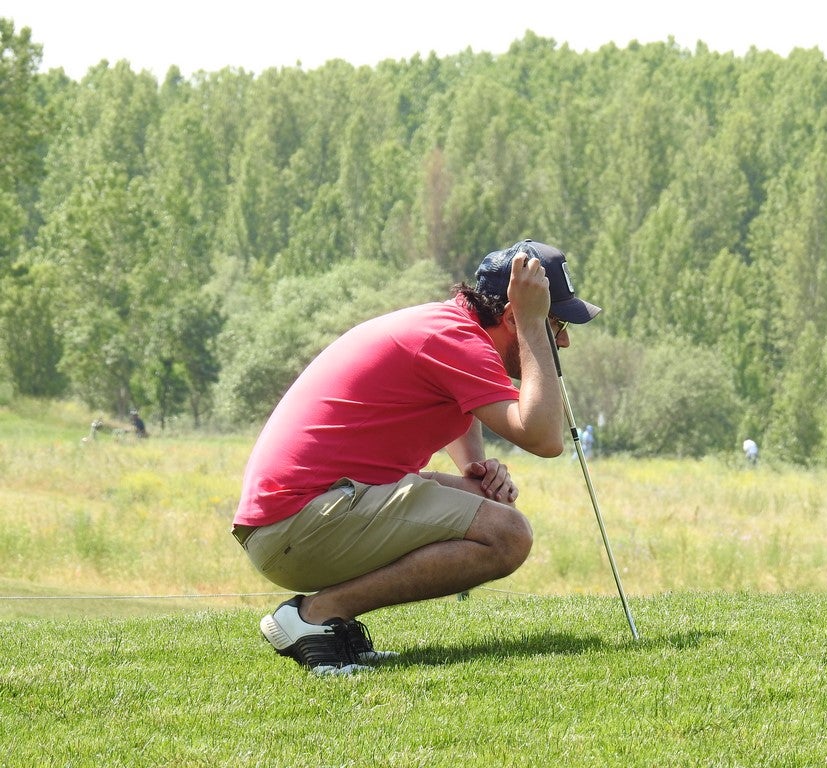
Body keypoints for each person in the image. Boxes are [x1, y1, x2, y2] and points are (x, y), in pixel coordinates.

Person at [232, 239, 601, 675]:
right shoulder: (456, 339)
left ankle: (330, 624)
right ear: (510, 317)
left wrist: (475, 469)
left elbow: (466, 404)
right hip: (295, 528)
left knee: (488, 506)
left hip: (300, 517)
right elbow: (545, 438)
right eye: (558, 323)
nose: (564, 340)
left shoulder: (452, 330)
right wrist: (534, 326)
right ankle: (315, 616)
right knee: (508, 535)